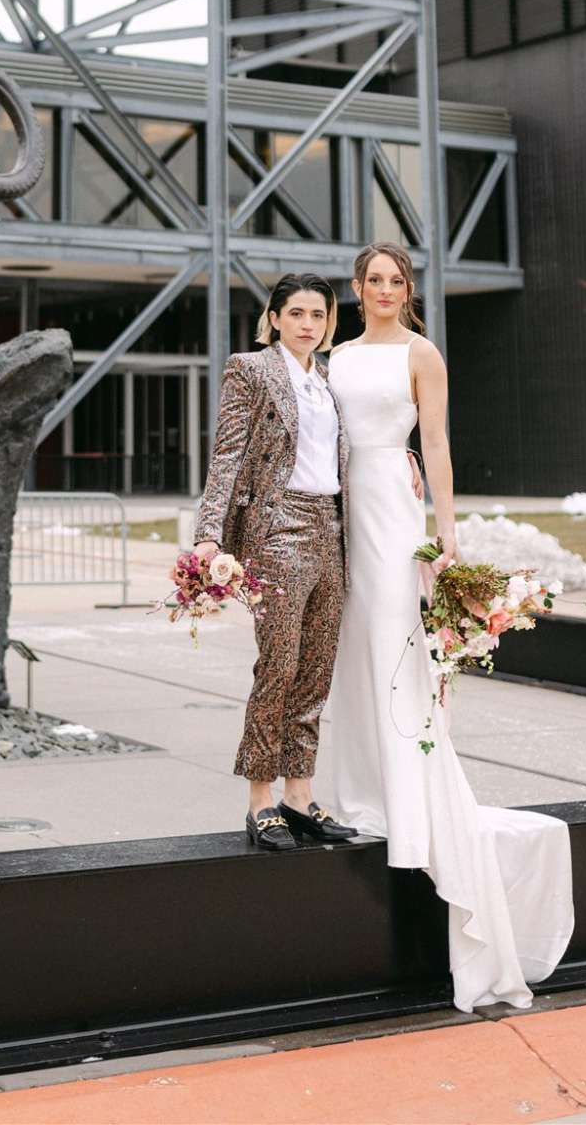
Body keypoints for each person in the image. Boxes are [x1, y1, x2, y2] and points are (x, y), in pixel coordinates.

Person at [322, 241, 574, 1010]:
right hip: (341, 509)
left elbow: (435, 444)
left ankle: (409, 794)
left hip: (396, 516)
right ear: (358, 287)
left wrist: (447, 533)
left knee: (399, 643)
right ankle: (361, 787)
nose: (386, 290)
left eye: (397, 280)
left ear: (407, 289)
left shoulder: (421, 352)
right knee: (354, 647)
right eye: (375, 280)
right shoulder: (333, 354)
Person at [193, 272, 359, 851]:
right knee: (279, 665)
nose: (308, 325)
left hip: (330, 527)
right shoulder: (252, 368)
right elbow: (228, 453)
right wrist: (209, 532)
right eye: (297, 314)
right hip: (279, 528)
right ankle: (260, 799)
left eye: (318, 315)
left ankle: (300, 793)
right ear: (275, 317)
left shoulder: (330, 381)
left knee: (316, 669)